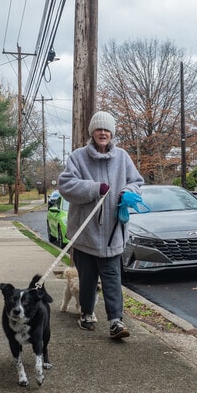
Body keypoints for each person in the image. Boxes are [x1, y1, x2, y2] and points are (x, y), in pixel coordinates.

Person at [58, 111, 144, 339]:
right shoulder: (78, 157)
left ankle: (116, 321)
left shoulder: (123, 157)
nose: (103, 133)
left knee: (112, 278)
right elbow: (66, 186)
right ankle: (86, 313)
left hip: (113, 232)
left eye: (107, 130)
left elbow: (136, 181)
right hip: (86, 233)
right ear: (92, 132)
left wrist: (127, 192)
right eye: (99, 129)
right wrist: (94, 189)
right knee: (87, 279)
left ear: (112, 133)